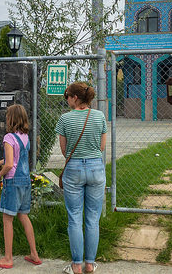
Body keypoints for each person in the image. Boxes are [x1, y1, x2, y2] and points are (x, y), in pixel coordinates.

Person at [56, 82, 107, 274]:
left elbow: (64, 150)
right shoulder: (99, 116)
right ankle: (90, 264)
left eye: (67, 95)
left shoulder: (65, 119)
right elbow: (102, 147)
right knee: (93, 219)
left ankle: (76, 264)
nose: (66, 99)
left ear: (75, 98)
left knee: (75, 218)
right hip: (95, 167)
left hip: (74, 168)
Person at [0, 104, 41, 269]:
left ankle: (8, 258)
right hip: (25, 181)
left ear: (10, 119)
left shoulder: (9, 138)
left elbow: (10, 164)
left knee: (7, 219)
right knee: (23, 216)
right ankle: (34, 254)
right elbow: (18, 159)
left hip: (12, 182)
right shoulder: (25, 137)